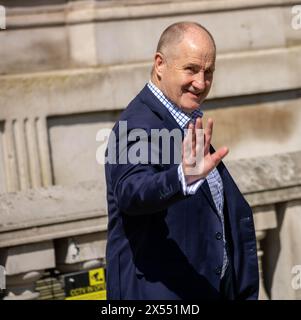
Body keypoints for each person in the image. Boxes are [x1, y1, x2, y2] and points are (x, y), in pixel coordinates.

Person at [105, 21, 259, 300]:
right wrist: (181, 178)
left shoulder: (185, 118)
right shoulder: (136, 124)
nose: (201, 83)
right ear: (160, 64)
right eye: (191, 69)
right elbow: (132, 191)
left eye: (208, 72)